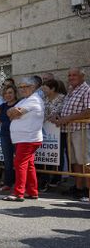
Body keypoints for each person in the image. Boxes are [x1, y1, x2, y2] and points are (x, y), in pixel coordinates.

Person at [2, 77, 44, 202]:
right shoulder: (25, 100)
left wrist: (13, 113)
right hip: (23, 138)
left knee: (19, 164)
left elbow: (15, 113)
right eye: (20, 87)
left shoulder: (34, 100)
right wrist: (12, 112)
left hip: (28, 138)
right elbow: (9, 113)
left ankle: (18, 193)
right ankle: (32, 191)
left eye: (25, 86)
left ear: (33, 87)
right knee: (29, 165)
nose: (22, 89)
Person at [54, 68, 90, 201]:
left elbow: (88, 111)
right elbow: (66, 109)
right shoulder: (71, 90)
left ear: (82, 76)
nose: (71, 77)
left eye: (74, 75)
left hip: (81, 130)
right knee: (75, 162)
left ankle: (88, 190)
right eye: (69, 75)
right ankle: (79, 188)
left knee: (85, 162)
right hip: (70, 130)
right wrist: (58, 115)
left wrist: (66, 119)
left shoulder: (87, 90)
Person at [0, 85, 19, 191]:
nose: (8, 95)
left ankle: (19, 183)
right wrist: (1, 124)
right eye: (6, 93)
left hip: (18, 135)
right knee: (7, 160)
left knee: (19, 160)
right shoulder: (2, 106)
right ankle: (8, 183)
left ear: (15, 93)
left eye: (10, 92)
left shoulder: (19, 104)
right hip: (5, 135)